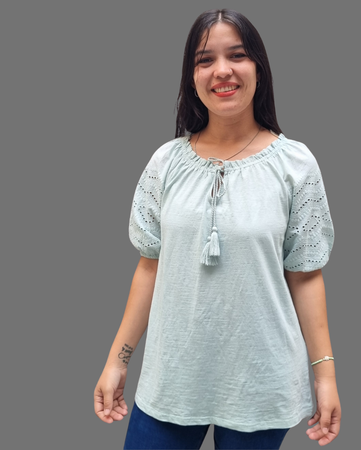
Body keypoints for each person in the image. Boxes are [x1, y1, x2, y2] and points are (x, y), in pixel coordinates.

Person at [94, 8, 341, 449]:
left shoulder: (296, 165)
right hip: (171, 382)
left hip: (262, 386)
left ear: (259, 69)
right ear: (191, 77)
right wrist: (117, 361)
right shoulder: (165, 162)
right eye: (205, 59)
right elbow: (149, 267)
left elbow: (305, 275)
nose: (222, 70)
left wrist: (325, 377)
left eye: (237, 55)